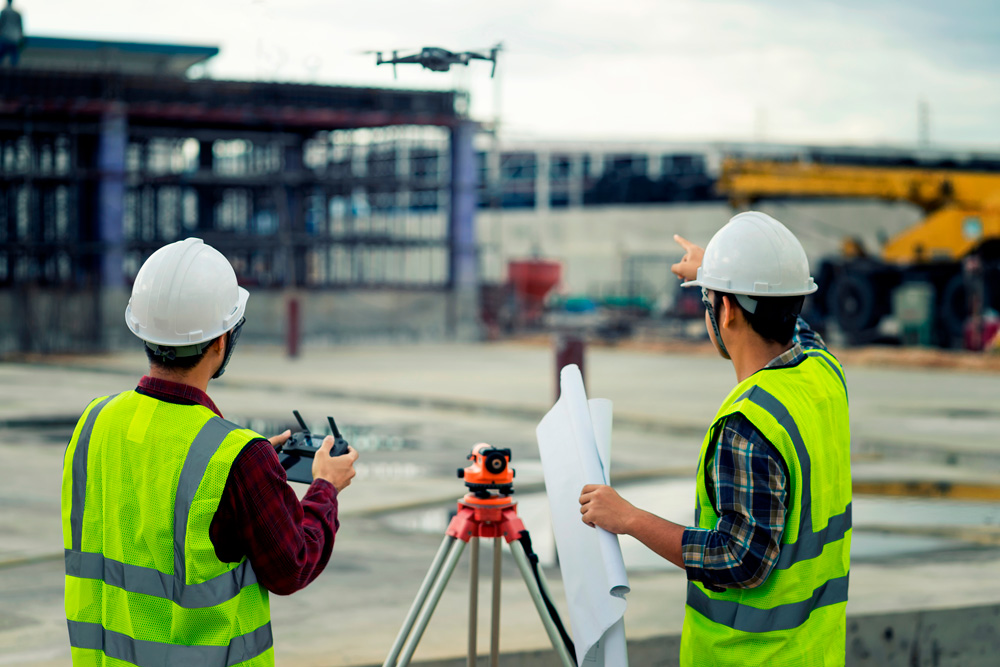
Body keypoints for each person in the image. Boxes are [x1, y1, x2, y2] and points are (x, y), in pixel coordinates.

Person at [61, 237, 359, 666]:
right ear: (221, 340)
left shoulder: (95, 421)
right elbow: (293, 564)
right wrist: (325, 488)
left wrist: (252, 475)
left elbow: (150, 498)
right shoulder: (236, 457)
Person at [579, 211, 851, 665]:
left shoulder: (750, 424)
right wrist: (716, 272)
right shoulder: (825, 373)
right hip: (815, 651)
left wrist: (628, 518)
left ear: (724, 311)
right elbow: (792, 322)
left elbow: (738, 557)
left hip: (751, 657)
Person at [0, 0, 23, 66]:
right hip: (15, 38)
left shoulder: (4, 12)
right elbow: (20, 27)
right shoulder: (17, 13)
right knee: (14, 57)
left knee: (1, 54)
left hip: (5, 37)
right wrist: (20, 37)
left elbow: (1, 25)